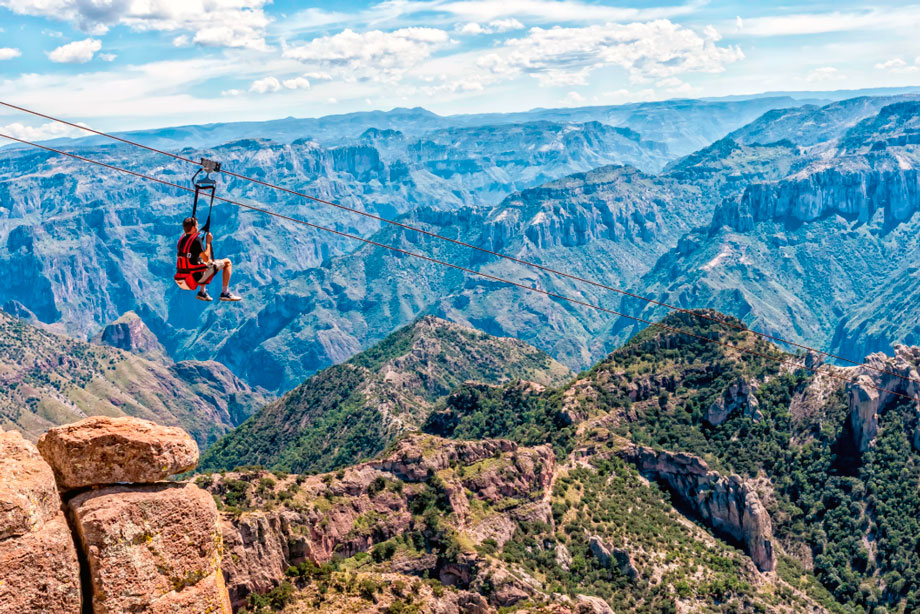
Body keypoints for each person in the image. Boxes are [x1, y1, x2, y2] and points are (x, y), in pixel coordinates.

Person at [179, 217, 241, 302]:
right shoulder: (196, 240)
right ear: (193, 228)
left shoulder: (182, 240)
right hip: (196, 277)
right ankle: (225, 293)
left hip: (183, 277)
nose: (197, 227)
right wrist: (208, 242)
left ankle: (202, 292)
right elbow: (206, 259)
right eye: (196, 225)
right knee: (227, 262)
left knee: (201, 263)